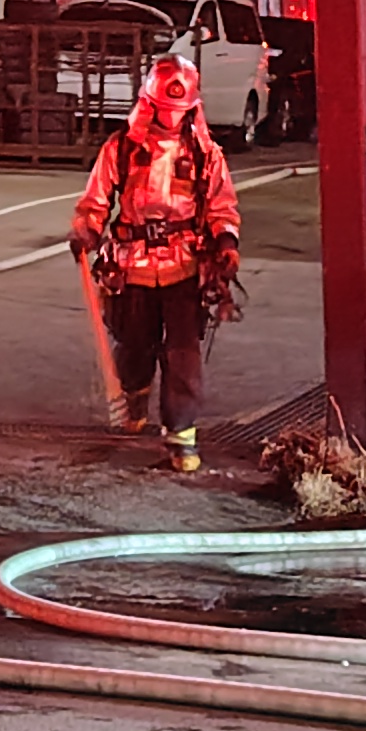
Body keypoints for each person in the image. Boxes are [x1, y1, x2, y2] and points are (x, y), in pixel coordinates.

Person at [67, 51, 243, 474]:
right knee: (134, 345)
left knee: (183, 353)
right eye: (164, 109)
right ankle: (134, 396)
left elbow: (222, 206)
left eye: (179, 111)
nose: (171, 118)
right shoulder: (121, 149)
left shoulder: (206, 154)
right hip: (131, 269)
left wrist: (226, 242)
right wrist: (86, 230)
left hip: (186, 267)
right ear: (148, 103)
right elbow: (96, 199)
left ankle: (181, 436)